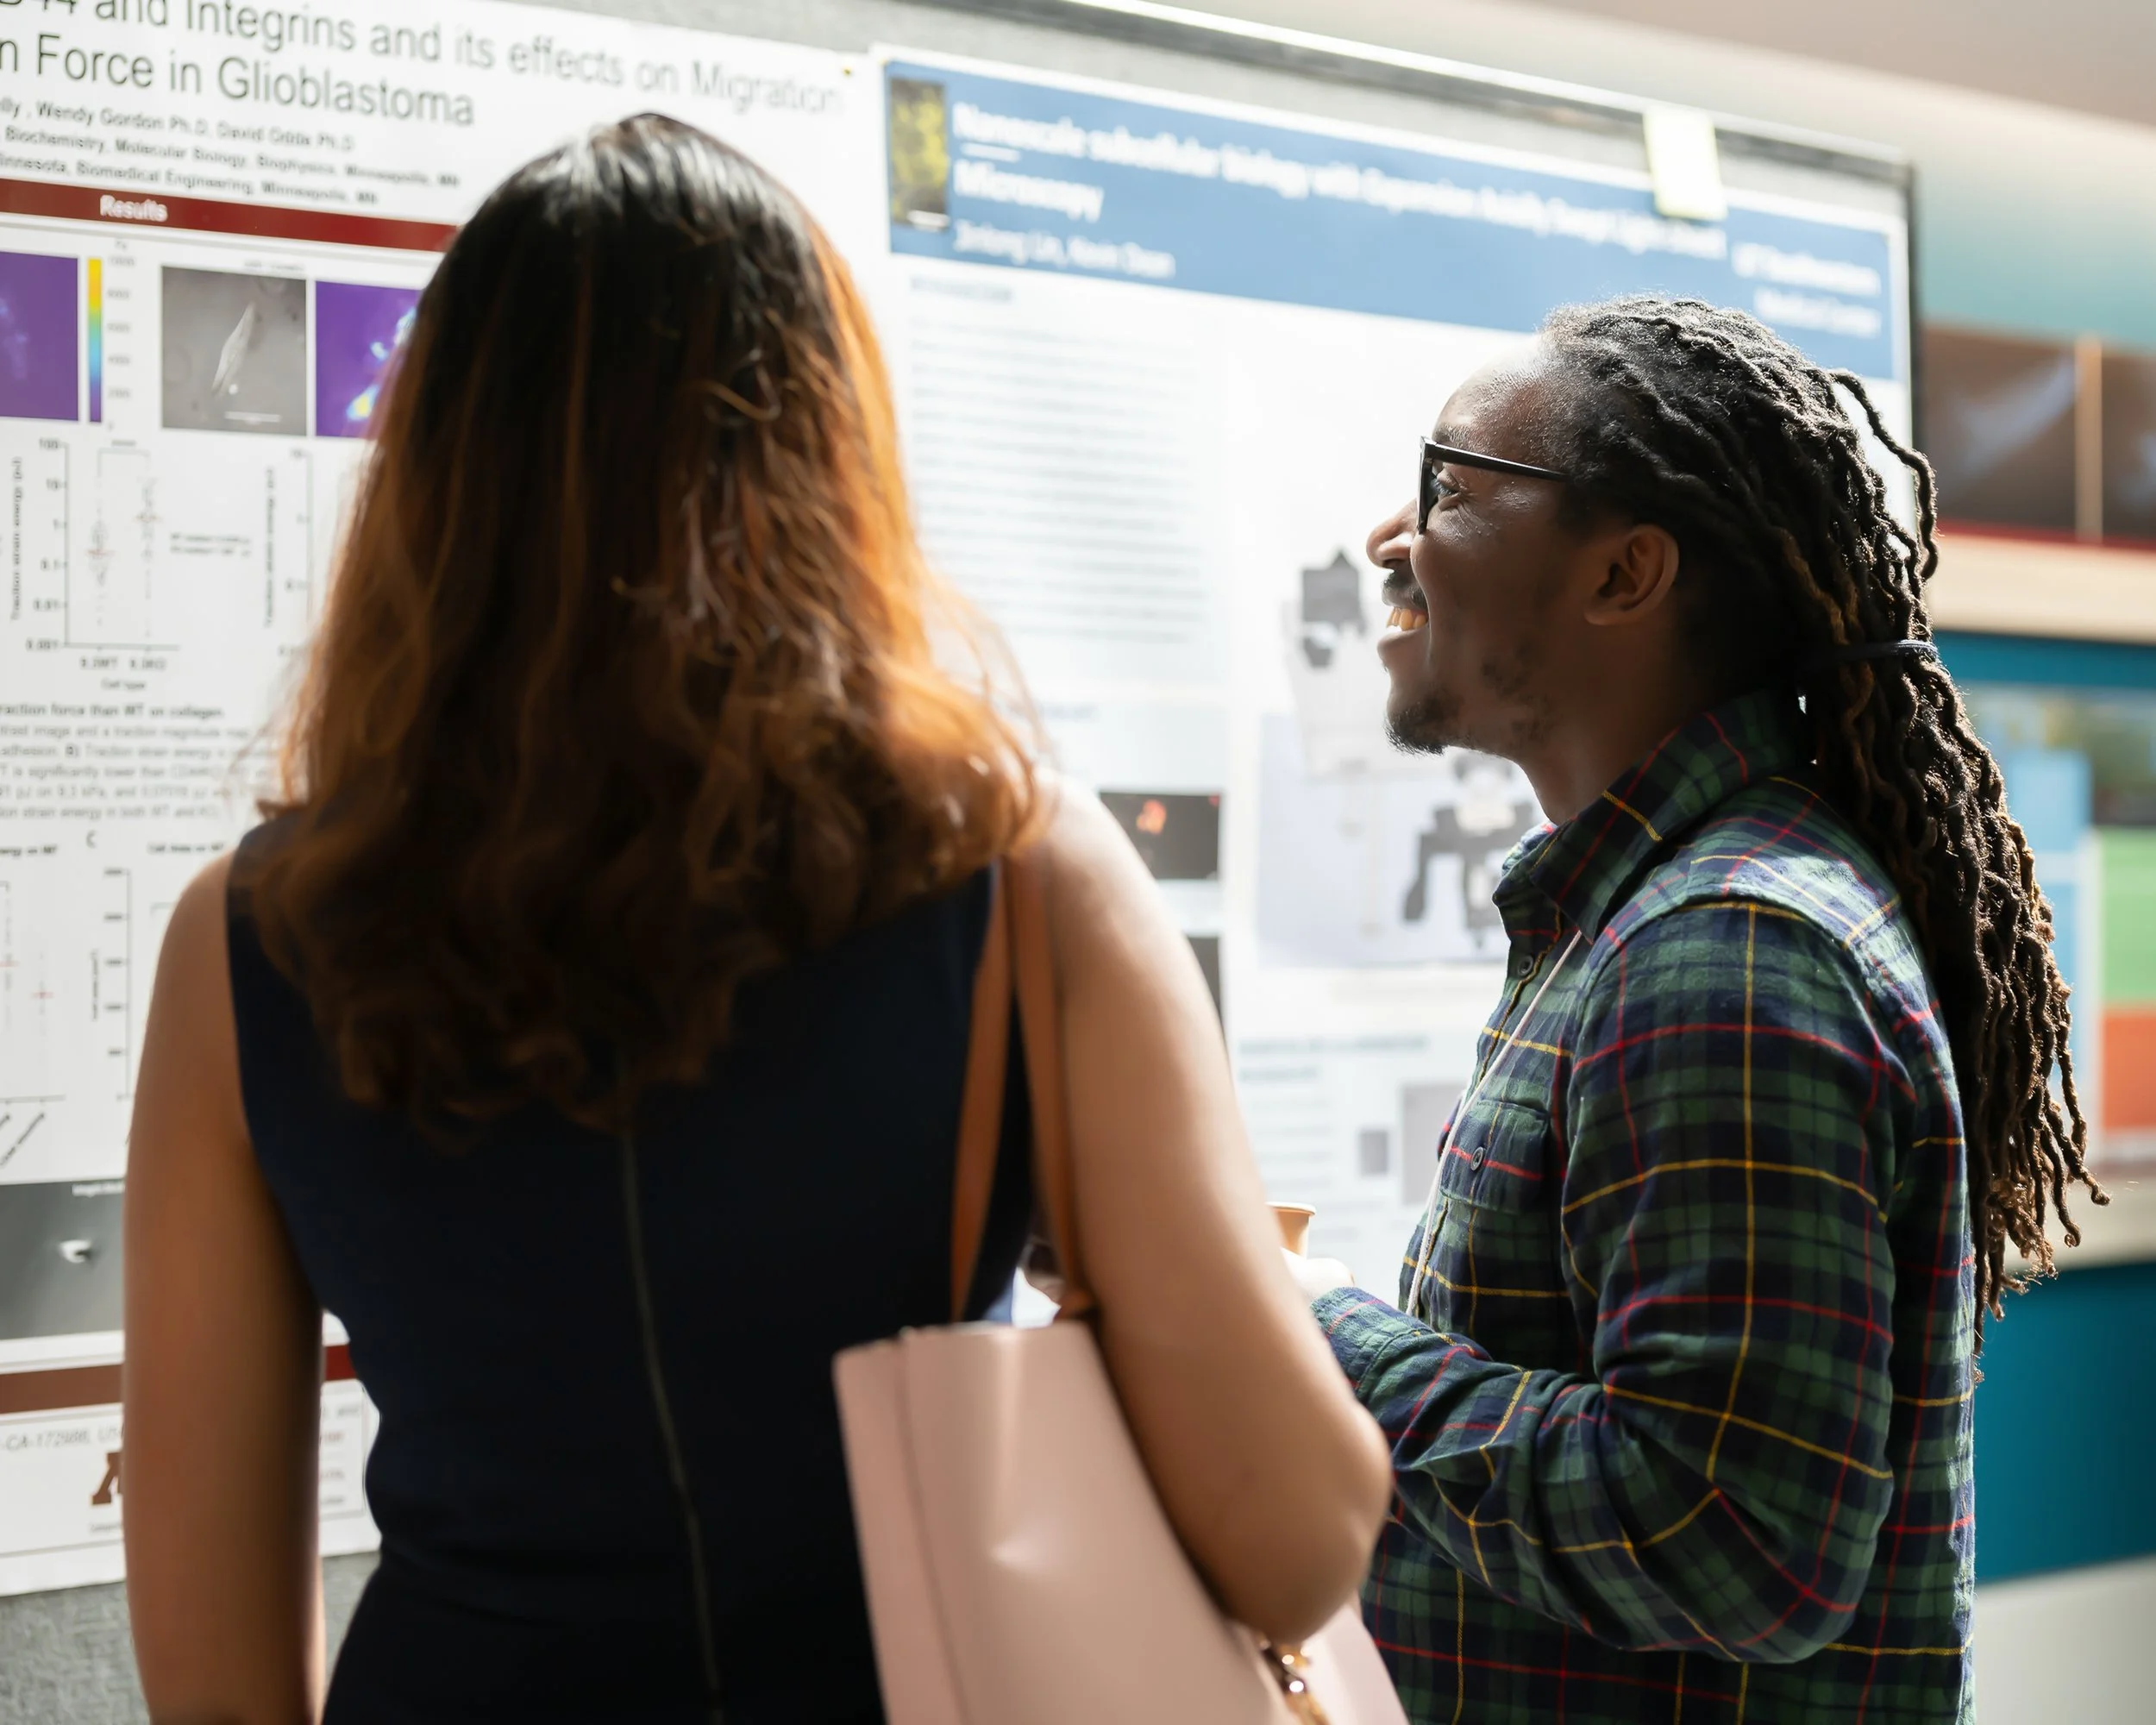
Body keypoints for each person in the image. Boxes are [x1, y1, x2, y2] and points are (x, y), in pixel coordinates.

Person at [122, 116, 1390, 1725]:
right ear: (825, 455)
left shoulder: (245, 941)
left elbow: (218, 1686)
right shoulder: (1020, 873)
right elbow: (1295, 1540)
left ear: (438, 475)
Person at [1289, 295, 2102, 1723]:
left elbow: (1728, 1545)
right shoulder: (1658, 918)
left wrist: (1319, 1335)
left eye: (1451, 488)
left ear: (1626, 575)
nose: (1389, 538)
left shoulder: (1722, 951)